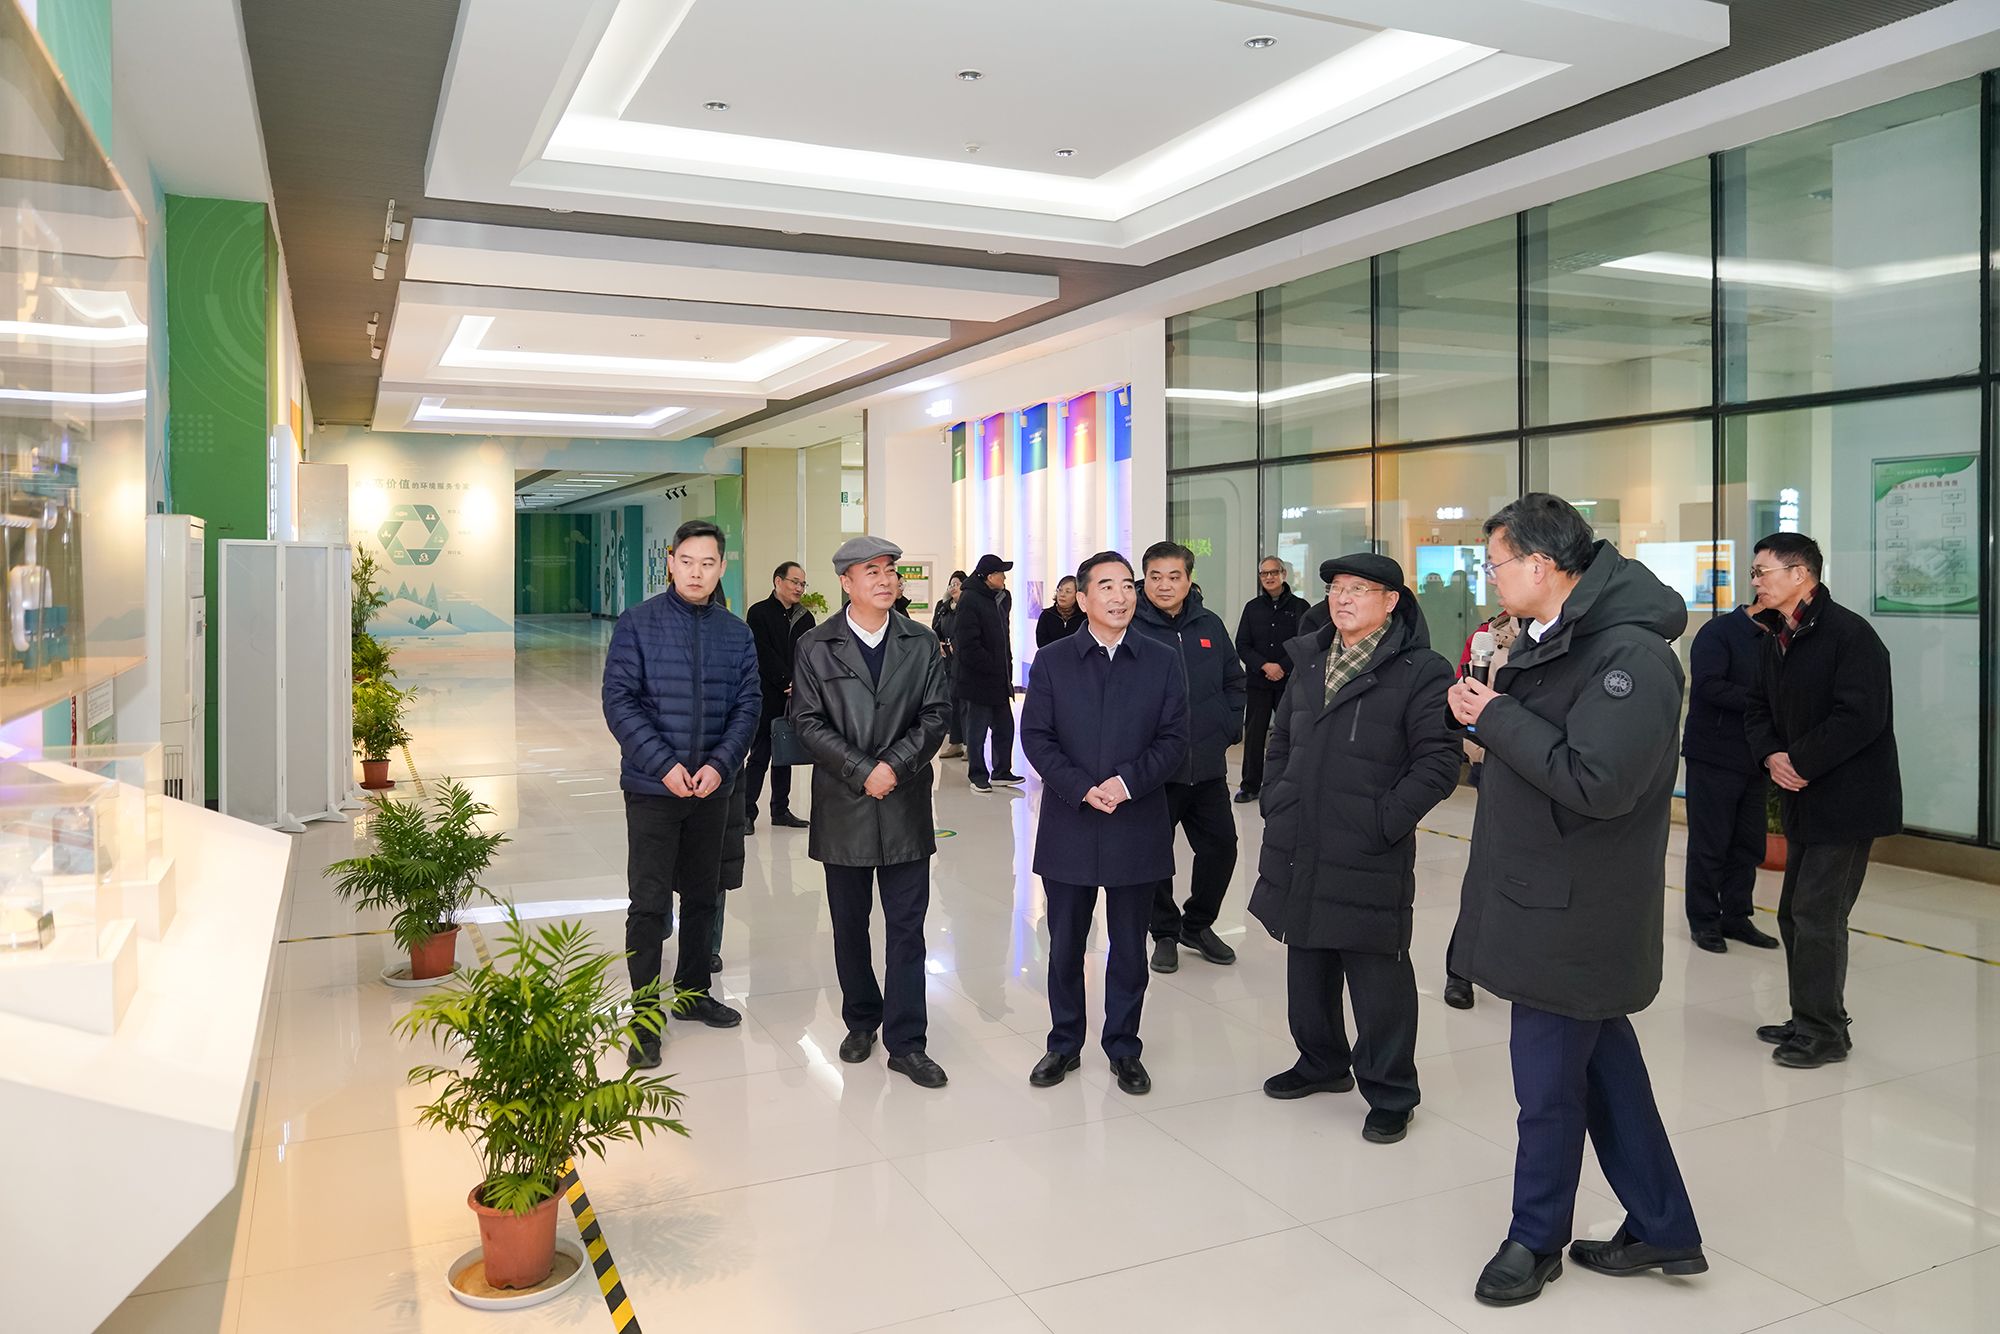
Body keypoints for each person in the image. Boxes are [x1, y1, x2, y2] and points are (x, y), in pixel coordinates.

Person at [1446, 494, 1705, 1305]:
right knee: (1607, 1071)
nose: (1489, 578)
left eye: (1495, 563)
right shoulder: (1555, 636)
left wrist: (1496, 716)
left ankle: (1534, 1239)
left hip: (1577, 905)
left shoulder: (1630, 656)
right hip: (1543, 889)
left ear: (1541, 564)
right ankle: (1664, 1225)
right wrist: (1489, 721)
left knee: (1549, 1087)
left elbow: (1599, 782)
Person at [1250, 553, 1458, 1145]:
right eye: (1337, 588)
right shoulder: (1312, 658)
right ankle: (1321, 1062)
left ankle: (1391, 1091)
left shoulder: (1421, 670)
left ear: (1391, 602)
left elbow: (1439, 762)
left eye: (1359, 589)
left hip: (1368, 844)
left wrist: (1383, 821)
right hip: (1301, 834)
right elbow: (1282, 736)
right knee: (1307, 960)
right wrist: (1277, 796)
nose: (1342, 599)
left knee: (1377, 977)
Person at [1021, 551, 1189, 1096]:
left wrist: (1125, 783)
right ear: (1084, 596)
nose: (1120, 596)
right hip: (1070, 822)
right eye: (1107, 587)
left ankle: (1123, 1047)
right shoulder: (1052, 661)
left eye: (1127, 586)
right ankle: (1064, 1043)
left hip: (1135, 822)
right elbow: (1036, 737)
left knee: (1129, 947)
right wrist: (1080, 787)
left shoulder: (1161, 660)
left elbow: (1174, 739)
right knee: (1065, 944)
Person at [790, 536, 955, 1088]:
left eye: (890, 571)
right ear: (846, 582)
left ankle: (907, 1042)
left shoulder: (920, 641)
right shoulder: (816, 645)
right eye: (871, 572)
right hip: (845, 805)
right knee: (849, 924)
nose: (885, 580)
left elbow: (936, 714)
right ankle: (861, 1021)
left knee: (908, 928)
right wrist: (863, 770)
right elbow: (806, 721)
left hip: (904, 802)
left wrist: (894, 766)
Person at [602, 519, 761, 1068]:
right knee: (648, 904)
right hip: (653, 788)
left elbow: (748, 706)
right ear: (670, 563)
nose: (697, 573)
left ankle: (694, 993)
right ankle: (645, 1017)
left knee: (703, 894)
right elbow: (619, 702)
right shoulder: (638, 624)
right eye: (687, 562)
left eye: (708, 563)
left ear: (722, 567)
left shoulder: (736, 633)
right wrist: (664, 765)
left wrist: (721, 765)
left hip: (713, 789)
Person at [1744, 533, 1900, 1070]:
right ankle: (1809, 1016)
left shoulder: (1850, 636)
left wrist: (1799, 761)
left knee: (1818, 914)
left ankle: (1825, 1033)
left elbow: (1860, 717)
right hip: (1802, 795)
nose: (1755, 581)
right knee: (1794, 913)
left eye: (1762, 571)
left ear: (1800, 574)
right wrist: (1771, 756)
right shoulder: (1776, 637)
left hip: (1847, 800)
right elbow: (1757, 708)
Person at [1132, 541, 1246, 974]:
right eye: (1155, 577)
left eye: (1174, 576)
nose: (1165, 585)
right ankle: (1163, 932)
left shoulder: (1208, 624)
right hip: (1156, 771)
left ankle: (1196, 925)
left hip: (1207, 767)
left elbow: (1234, 680)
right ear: (1144, 579)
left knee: (1222, 848)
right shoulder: (1132, 626)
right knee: (1154, 856)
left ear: (1189, 579)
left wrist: (1227, 727)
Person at [1681, 601, 1781, 954]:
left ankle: (1737, 917)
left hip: (1755, 757)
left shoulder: (1779, 638)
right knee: (1710, 843)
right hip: (1715, 755)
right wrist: (1766, 699)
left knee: (1748, 844)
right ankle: (1704, 921)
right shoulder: (1719, 633)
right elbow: (1709, 686)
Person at [1445, 610, 1518, 1011]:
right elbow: (1465, 688)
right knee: (1485, 873)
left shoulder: (1567, 635)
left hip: (1549, 767)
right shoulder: (1488, 636)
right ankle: (1461, 970)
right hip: (1494, 762)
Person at [744, 561, 816, 832]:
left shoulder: (806, 618)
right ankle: (745, 813)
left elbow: (810, 654)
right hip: (765, 694)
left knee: (784, 753)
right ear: (778, 581)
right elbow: (761, 652)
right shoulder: (759, 613)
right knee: (760, 755)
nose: (799, 588)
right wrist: (786, 680)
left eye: (802, 584)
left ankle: (780, 810)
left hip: (794, 696)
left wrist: (801, 683)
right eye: (795, 582)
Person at [1234, 556, 1309, 803]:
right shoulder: (1252, 608)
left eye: (1273, 572)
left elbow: (1305, 644)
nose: (1269, 577)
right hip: (1258, 682)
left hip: (1289, 683)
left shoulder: (1300, 607)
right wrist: (1265, 666)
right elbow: (1242, 644)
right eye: (1264, 573)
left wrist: (1282, 667)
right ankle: (1250, 785)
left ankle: (1292, 785)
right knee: (1254, 737)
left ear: (1283, 574)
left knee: (1292, 735)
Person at [953, 552, 1027, 793]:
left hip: (999, 678)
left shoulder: (1001, 598)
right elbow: (967, 644)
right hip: (977, 680)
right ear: (988, 576)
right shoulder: (970, 600)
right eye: (1000, 573)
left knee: (1005, 727)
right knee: (977, 731)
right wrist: (991, 665)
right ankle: (977, 774)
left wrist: (1004, 667)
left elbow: (1002, 637)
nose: (1004, 578)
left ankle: (1002, 771)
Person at [931, 570, 968, 758]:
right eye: (951, 584)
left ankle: (970, 745)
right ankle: (955, 742)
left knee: (965, 703)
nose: (954, 587)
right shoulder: (943, 606)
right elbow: (935, 628)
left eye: (958, 584)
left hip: (964, 660)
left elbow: (970, 630)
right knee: (951, 700)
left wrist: (957, 644)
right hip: (947, 659)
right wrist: (937, 642)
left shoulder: (969, 607)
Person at [1035, 575, 1084, 646]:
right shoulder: (1047, 615)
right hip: (1051, 652)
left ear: (1077, 595)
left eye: (1068, 591)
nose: (1062, 594)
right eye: (1060, 590)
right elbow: (1041, 643)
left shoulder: (1084, 617)